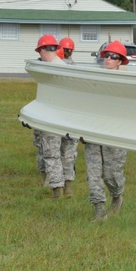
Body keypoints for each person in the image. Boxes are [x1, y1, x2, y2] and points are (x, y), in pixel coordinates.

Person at [85, 41, 130, 221]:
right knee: (93, 172)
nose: (109, 59)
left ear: (120, 62)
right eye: (106, 56)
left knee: (111, 174)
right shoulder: (94, 79)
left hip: (115, 134)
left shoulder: (127, 83)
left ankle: (117, 196)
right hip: (93, 132)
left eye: (114, 57)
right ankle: (99, 210)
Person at [32, 35, 69, 199]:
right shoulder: (66, 66)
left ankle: (57, 193)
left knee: (51, 155)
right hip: (69, 119)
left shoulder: (48, 69)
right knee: (67, 155)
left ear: (41, 50)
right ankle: (69, 190)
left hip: (52, 119)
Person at [57, 37, 78, 197]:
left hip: (59, 114)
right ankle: (68, 185)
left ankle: (58, 187)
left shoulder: (55, 66)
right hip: (72, 115)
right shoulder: (75, 68)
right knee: (69, 152)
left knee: (55, 152)